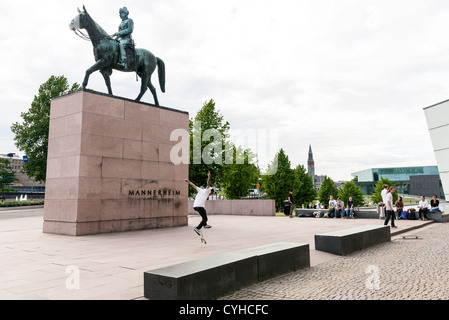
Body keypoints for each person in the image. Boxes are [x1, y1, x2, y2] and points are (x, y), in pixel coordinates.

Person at [185, 171, 214, 236]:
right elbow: (208, 184)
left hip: (195, 206)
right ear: (210, 191)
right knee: (205, 218)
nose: (211, 194)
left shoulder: (200, 190)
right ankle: (197, 228)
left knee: (204, 214)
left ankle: (205, 224)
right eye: (211, 193)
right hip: (200, 206)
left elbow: (193, 185)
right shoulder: (207, 190)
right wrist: (209, 177)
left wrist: (188, 181)